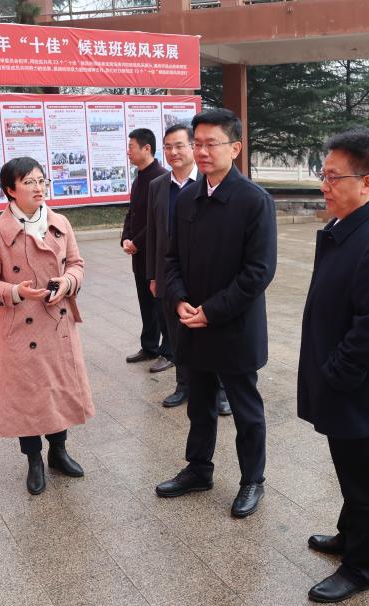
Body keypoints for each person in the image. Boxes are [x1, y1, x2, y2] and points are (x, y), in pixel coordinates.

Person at [298, 130, 369, 603]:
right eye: (323, 175)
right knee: (349, 470)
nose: (324, 186)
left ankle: (362, 567)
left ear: (366, 183)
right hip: (342, 381)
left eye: (334, 177)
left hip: (357, 387)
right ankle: (349, 534)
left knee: (365, 480)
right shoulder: (347, 226)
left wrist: (335, 376)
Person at [155, 108, 277, 518]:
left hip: (234, 326)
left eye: (211, 144)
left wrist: (212, 311)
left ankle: (252, 480)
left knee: (246, 410)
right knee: (199, 404)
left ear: (235, 148)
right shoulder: (188, 197)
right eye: (198, 144)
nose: (202, 152)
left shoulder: (254, 201)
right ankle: (198, 468)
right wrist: (178, 299)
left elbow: (259, 273)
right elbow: (171, 258)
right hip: (192, 322)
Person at [0, 157, 95, 495]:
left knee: (57, 389)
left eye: (41, 181)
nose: (38, 188)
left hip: (57, 324)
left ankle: (59, 452)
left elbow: (76, 264)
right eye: (28, 182)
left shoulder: (60, 222)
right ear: (10, 190)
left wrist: (67, 283)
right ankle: (34, 461)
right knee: (27, 396)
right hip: (20, 328)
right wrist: (16, 292)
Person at [145, 124, 232, 415]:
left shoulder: (208, 184)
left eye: (180, 145)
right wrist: (153, 275)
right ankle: (183, 385)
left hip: (203, 274)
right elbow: (154, 233)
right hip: (170, 274)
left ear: (193, 147)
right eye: (168, 147)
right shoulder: (157, 186)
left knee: (212, 332)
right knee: (176, 333)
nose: (173, 152)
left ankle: (220, 390)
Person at [122, 128, 170, 368]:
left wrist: (137, 242)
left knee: (161, 305)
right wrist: (125, 237)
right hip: (139, 254)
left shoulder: (162, 178)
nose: (128, 152)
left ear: (147, 148)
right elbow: (132, 213)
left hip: (155, 254)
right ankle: (150, 346)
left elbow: (158, 220)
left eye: (131, 147)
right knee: (145, 303)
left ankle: (169, 352)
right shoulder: (139, 177)